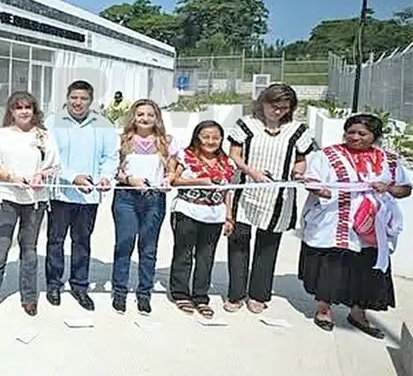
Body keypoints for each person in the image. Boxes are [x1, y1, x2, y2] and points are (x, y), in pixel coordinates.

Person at [298, 114, 410, 338]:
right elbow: (311, 180)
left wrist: (388, 188)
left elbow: (405, 188)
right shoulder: (327, 155)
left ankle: (358, 313)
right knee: (331, 265)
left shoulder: (388, 160)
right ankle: (323, 309)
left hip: (373, 228)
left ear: (374, 136)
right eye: (351, 132)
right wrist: (322, 190)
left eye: (362, 134)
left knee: (366, 268)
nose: (355, 137)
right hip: (335, 223)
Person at [226, 84, 313, 314]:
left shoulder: (297, 130)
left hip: (278, 197)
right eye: (274, 106)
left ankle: (258, 294)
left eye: (284, 108)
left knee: (268, 246)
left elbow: (300, 160)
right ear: (263, 103)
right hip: (245, 192)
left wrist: (298, 173)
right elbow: (234, 154)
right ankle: (236, 294)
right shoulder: (246, 124)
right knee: (238, 242)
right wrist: (251, 171)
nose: (278, 111)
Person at [0, 90, 60, 316]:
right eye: (19, 107)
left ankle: (29, 297)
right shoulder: (1, 135)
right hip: (7, 198)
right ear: (11, 111)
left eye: (28, 107)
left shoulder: (45, 136)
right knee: (0, 248)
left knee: (29, 250)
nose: (24, 111)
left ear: (34, 110)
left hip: (35, 200)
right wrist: (11, 177)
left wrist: (41, 176)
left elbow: (54, 165)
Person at [46, 80, 118, 311]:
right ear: (67, 98)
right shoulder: (52, 122)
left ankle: (79, 286)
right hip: (61, 194)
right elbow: (50, 159)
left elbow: (111, 156)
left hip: (89, 196)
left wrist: (105, 177)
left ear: (91, 100)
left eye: (83, 98)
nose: (78, 102)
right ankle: (53, 284)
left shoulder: (103, 124)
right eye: (74, 97)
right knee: (55, 241)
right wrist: (73, 177)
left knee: (82, 242)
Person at [111, 99, 180, 316]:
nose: (145, 118)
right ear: (133, 116)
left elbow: (172, 170)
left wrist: (168, 179)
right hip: (126, 197)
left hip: (154, 198)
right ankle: (119, 292)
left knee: (148, 248)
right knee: (124, 244)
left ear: (157, 118)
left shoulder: (166, 141)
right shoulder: (122, 140)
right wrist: (129, 179)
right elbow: (113, 169)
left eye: (150, 114)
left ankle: (144, 293)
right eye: (140, 114)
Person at [168, 120, 235, 319]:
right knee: (184, 253)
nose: (210, 141)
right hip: (187, 210)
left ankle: (200, 296)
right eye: (205, 137)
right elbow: (174, 181)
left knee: (206, 256)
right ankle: (180, 293)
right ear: (197, 137)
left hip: (214, 214)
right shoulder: (185, 156)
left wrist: (229, 217)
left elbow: (229, 190)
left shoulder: (227, 162)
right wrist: (199, 181)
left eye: (215, 137)